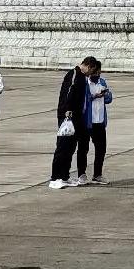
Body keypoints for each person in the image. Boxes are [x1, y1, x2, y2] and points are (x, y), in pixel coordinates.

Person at [49, 57, 97, 188]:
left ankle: (64, 176)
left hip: (75, 117)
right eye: (91, 70)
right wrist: (68, 109)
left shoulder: (81, 77)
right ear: (88, 66)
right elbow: (69, 93)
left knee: (70, 147)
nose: (91, 74)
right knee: (62, 146)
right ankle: (55, 177)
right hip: (67, 116)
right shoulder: (75, 74)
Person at [77, 62, 113, 185]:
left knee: (101, 149)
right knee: (83, 148)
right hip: (87, 122)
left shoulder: (102, 82)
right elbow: (82, 100)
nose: (97, 74)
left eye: (99, 72)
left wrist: (106, 94)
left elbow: (109, 99)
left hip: (100, 120)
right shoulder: (85, 83)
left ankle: (97, 174)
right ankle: (81, 174)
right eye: (95, 72)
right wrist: (93, 96)